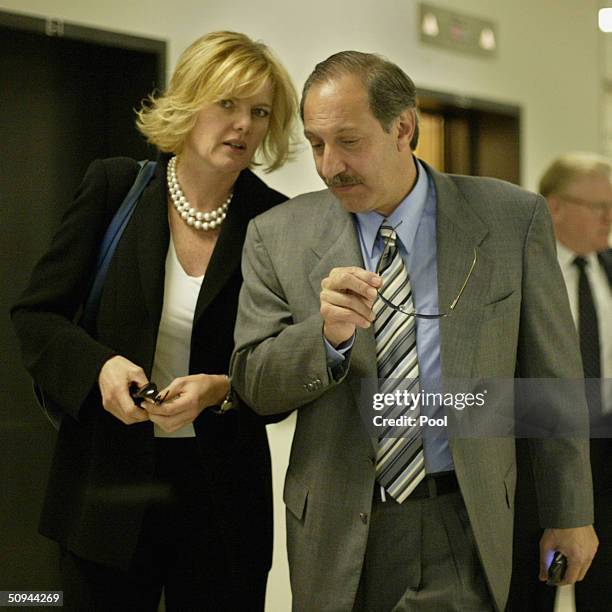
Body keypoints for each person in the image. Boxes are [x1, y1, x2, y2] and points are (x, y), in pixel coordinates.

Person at [230, 51, 598, 611]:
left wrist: (570, 513)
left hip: (463, 517)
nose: (330, 166)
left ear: (404, 128)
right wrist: (325, 339)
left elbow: (553, 380)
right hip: (336, 526)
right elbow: (254, 384)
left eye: (348, 141)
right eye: (317, 143)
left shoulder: (510, 219)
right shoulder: (276, 234)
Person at [11, 31, 297, 611]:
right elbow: (36, 316)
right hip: (106, 490)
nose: (243, 125)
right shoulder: (115, 186)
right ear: (189, 102)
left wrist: (223, 389)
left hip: (222, 500)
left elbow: (290, 365)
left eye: (259, 112)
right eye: (227, 104)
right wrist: (100, 367)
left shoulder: (276, 222)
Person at [509, 152, 612, 611]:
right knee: (530, 585)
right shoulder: (517, 270)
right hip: (535, 453)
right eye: (599, 207)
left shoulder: (608, 268)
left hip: (605, 449)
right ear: (554, 206)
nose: (609, 219)